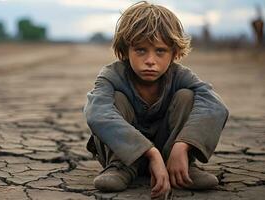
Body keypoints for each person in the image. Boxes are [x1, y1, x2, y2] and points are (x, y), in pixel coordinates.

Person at [83, 1, 229, 198]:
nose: (150, 60)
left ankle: (182, 166)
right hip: (124, 156)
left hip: (172, 155)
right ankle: (120, 167)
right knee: (115, 100)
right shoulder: (112, 75)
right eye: (140, 50)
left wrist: (183, 145)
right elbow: (97, 114)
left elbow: (215, 104)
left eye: (160, 51)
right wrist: (151, 153)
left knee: (188, 96)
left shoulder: (180, 76)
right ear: (126, 51)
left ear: (174, 53)